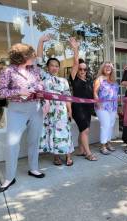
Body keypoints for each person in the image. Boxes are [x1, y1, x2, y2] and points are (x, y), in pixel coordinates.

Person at [0, 43, 45, 193]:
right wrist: (19, 91)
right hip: (17, 110)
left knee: (34, 139)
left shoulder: (34, 70)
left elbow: (40, 85)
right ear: (23, 56)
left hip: (35, 108)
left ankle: (33, 168)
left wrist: (43, 95)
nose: (34, 57)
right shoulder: (8, 71)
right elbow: (0, 92)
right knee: (12, 144)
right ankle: (10, 177)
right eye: (31, 54)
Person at [37, 34, 74, 166]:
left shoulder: (63, 81)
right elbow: (39, 60)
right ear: (47, 67)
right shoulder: (44, 77)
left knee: (65, 131)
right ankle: (57, 157)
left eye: (57, 66)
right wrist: (41, 41)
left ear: (59, 68)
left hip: (62, 110)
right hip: (49, 110)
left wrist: (70, 111)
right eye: (52, 65)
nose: (54, 67)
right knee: (53, 133)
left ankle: (69, 155)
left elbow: (67, 96)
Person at [69, 38, 97, 161]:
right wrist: (75, 49)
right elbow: (75, 63)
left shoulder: (89, 79)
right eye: (80, 69)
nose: (82, 71)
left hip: (87, 108)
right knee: (85, 130)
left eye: (84, 69)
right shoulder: (74, 78)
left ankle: (80, 149)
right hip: (77, 107)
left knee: (84, 130)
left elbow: (92, 94)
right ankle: (88, 153)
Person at [93, 62, 119, 155]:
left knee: (111, 125)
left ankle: (108, 143)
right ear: (102, 68)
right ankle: (103, 146)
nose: (108, 68)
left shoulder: (114, 81)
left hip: (113, 106)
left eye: (110, 67)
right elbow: (95, 92)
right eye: (106, 66)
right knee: (105, 125)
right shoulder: (99, 79)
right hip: (102, 106)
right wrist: (97, 102)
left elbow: (116, 94)